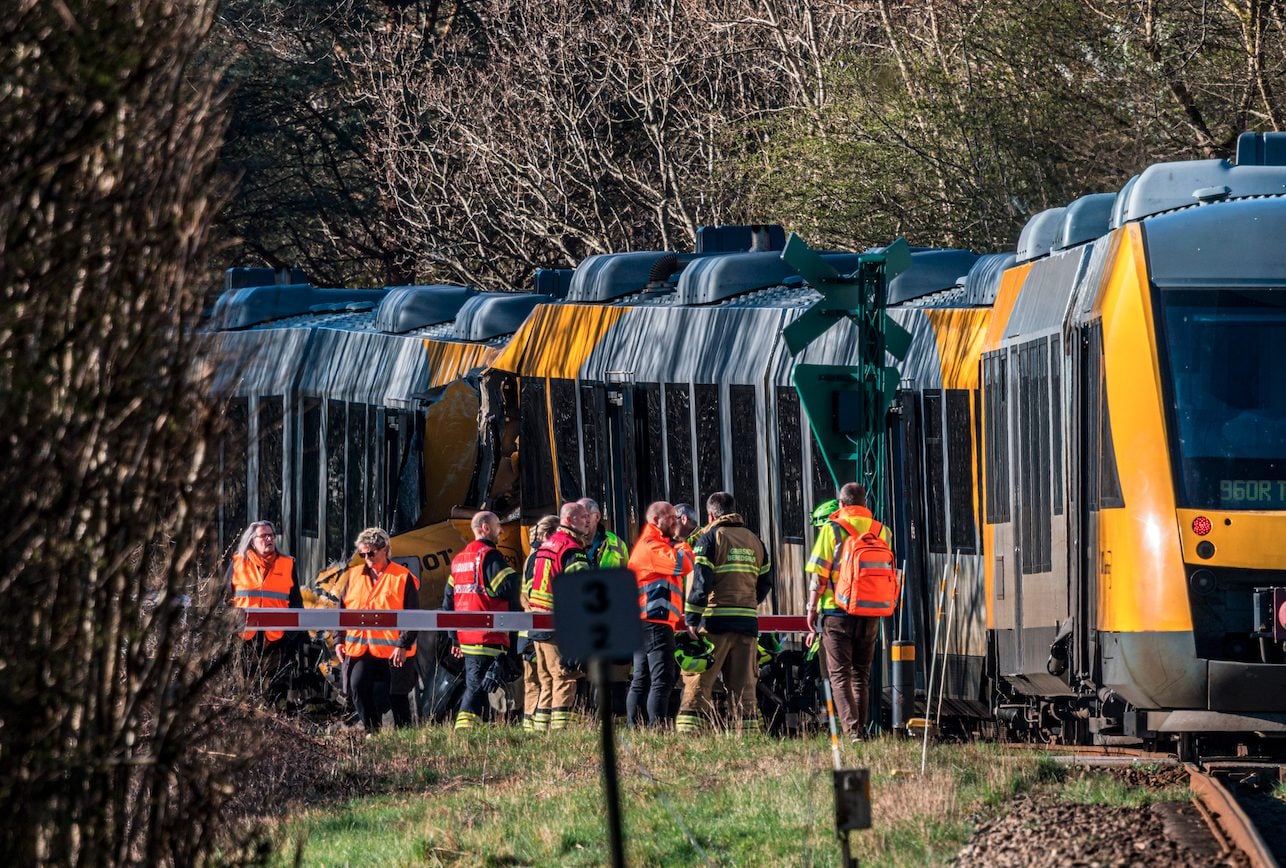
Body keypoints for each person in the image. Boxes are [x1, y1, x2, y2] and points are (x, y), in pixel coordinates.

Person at [676, 492, 773, 732]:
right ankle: (747, 734)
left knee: (700, 678)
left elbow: (701, 582)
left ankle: (690, 732)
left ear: (711, 514)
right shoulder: (755, 540)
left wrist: (691, 618)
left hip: (715, 622)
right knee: (744, 684)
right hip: (747, 623)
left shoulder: (710, 539)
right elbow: (765, 582)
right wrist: (748, 602)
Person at [805, 483, 893, 742]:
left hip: (837, 611)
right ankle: (860, 730)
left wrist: (811, 609)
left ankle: (853, 732)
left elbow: (819, 574)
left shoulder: (833, 529)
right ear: (865, 504)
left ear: (841, 505)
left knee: (839, 674)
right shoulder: (881, 531)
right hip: (870, 612)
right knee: (860, 675)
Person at [336, 528, 420, 732]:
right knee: (357, 686)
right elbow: (341, 611)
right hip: (360, 649)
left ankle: (405, 739)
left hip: (394, 650)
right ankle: (372, 731)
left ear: (385, 550)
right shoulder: (353, 576)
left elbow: (413, 616)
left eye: (371, 553)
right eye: (362, 554)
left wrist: (403, 644)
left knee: (397, 697)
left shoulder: (402, 577)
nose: (367, 558)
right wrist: (339, 639)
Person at [443, 511, 519, 730]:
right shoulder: (489, 556)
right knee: (477, 688)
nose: (501, 530)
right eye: (498, 526)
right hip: (488, 635)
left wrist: (454, 638)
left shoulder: (459, 560)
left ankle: (481, 730)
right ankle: (465, 731)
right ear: (485, 528)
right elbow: (507, 587)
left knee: (481, 685)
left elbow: (448, 602)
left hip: (467, 638)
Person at [527, 501, 592, 729]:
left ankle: (540, 732)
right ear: (568, 520)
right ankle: (561, 733)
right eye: (582, 517)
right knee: (565, 677)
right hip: (558, 624)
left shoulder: (547, 545)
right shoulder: (572, 549)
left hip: (537, 622)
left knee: (546, 681)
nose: (587, 521)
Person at [626, 501, 689, 728]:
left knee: (641, 679)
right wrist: (682, 543)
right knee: (662, 680)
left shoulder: (653, 545)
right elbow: (685, 564)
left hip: (646, 622)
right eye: (671, 517)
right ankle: (656, 729)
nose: (676, 521)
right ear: (656, 520)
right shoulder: (653, 547)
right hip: (654, 622)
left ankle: (637, 727)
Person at [227, 520, 303, 705]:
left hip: (276, 639)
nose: (269, 539)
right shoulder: (238, 563)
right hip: (245, 637)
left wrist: (291, 636)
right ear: (252, 540)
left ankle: (275, 727)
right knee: (245, 689)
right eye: (264, 536)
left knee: (276, 690)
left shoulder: (287, 564)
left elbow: (296, 603)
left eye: (271, 535)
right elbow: (225, 600)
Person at [519, 515, 560, 731]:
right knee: (547, 680)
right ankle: (542, 726)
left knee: (533, 682)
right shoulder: (544, 557)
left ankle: (531, 728)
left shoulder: (530, 558)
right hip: (540, 629)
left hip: (528, 630)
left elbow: (524, 597)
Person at [579, 497, 629, 568]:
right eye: (577, 517)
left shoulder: (617, 543)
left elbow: (626, 575)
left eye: (585, 516)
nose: (581, 521)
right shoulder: (568, 543)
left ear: (597, 517)